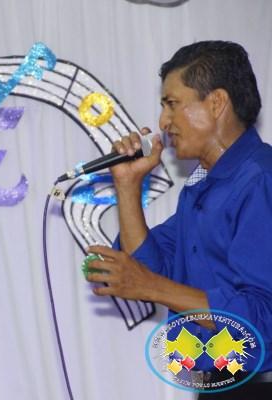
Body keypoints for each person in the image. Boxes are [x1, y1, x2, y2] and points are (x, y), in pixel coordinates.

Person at [85, 41, 272, 398]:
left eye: (172, 104)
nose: (163, 122)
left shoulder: (261, 181)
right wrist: (127, 185)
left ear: (216, 103)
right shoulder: (203, 188)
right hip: (218, 384)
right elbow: (148, 266)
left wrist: (151, 286)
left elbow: (264, 320)